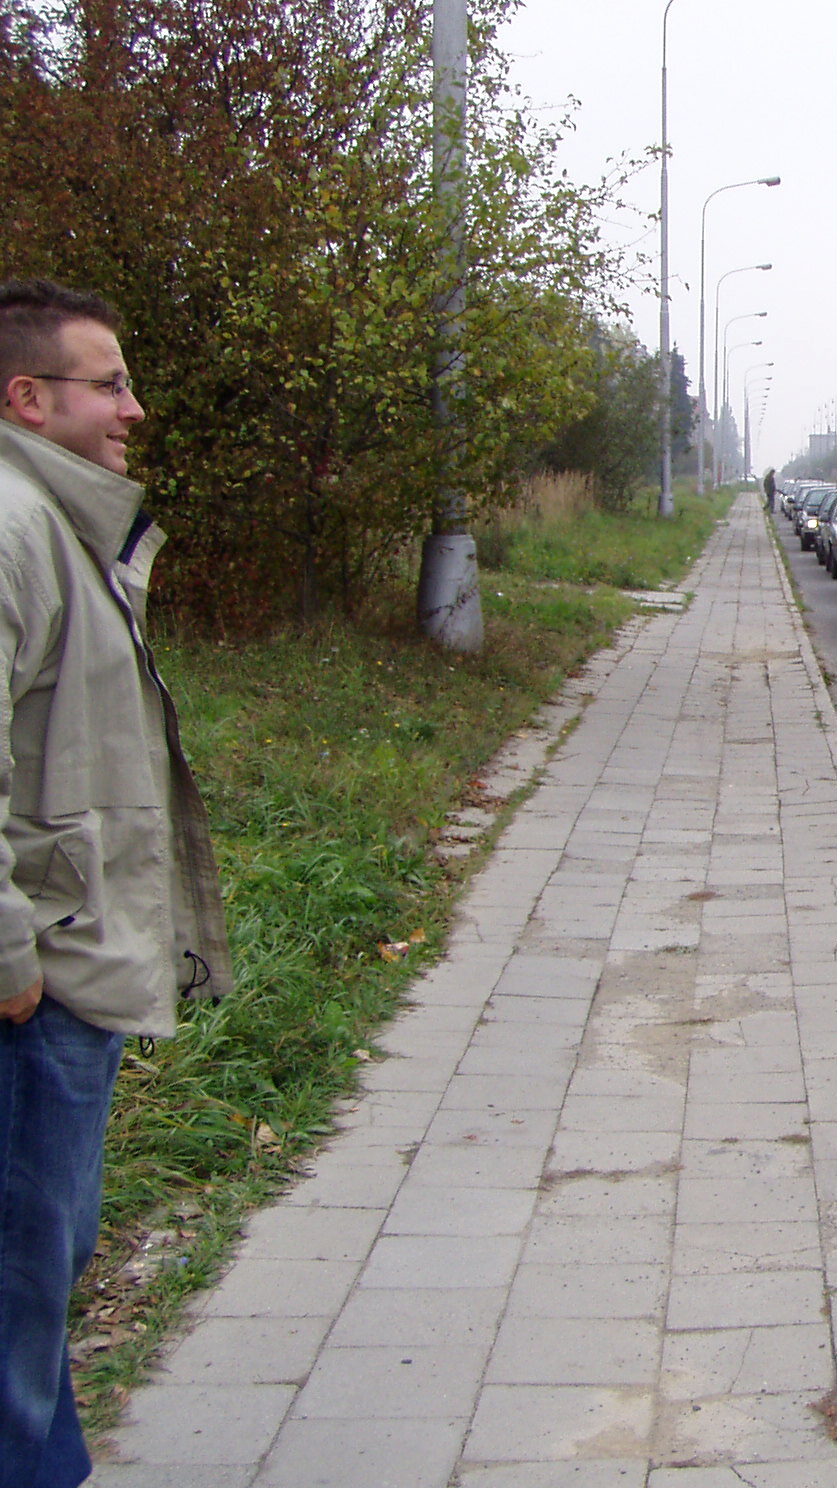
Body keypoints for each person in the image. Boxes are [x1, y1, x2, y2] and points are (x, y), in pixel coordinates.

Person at [0, 279, 231, 1488]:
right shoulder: (13, 528)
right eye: (109, 383)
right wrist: (11, 966)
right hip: (32, 985)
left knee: (43, 1277)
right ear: (28, 397)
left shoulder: (62, 524)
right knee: (16, 1287)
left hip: (65, 964)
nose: (133, 408)